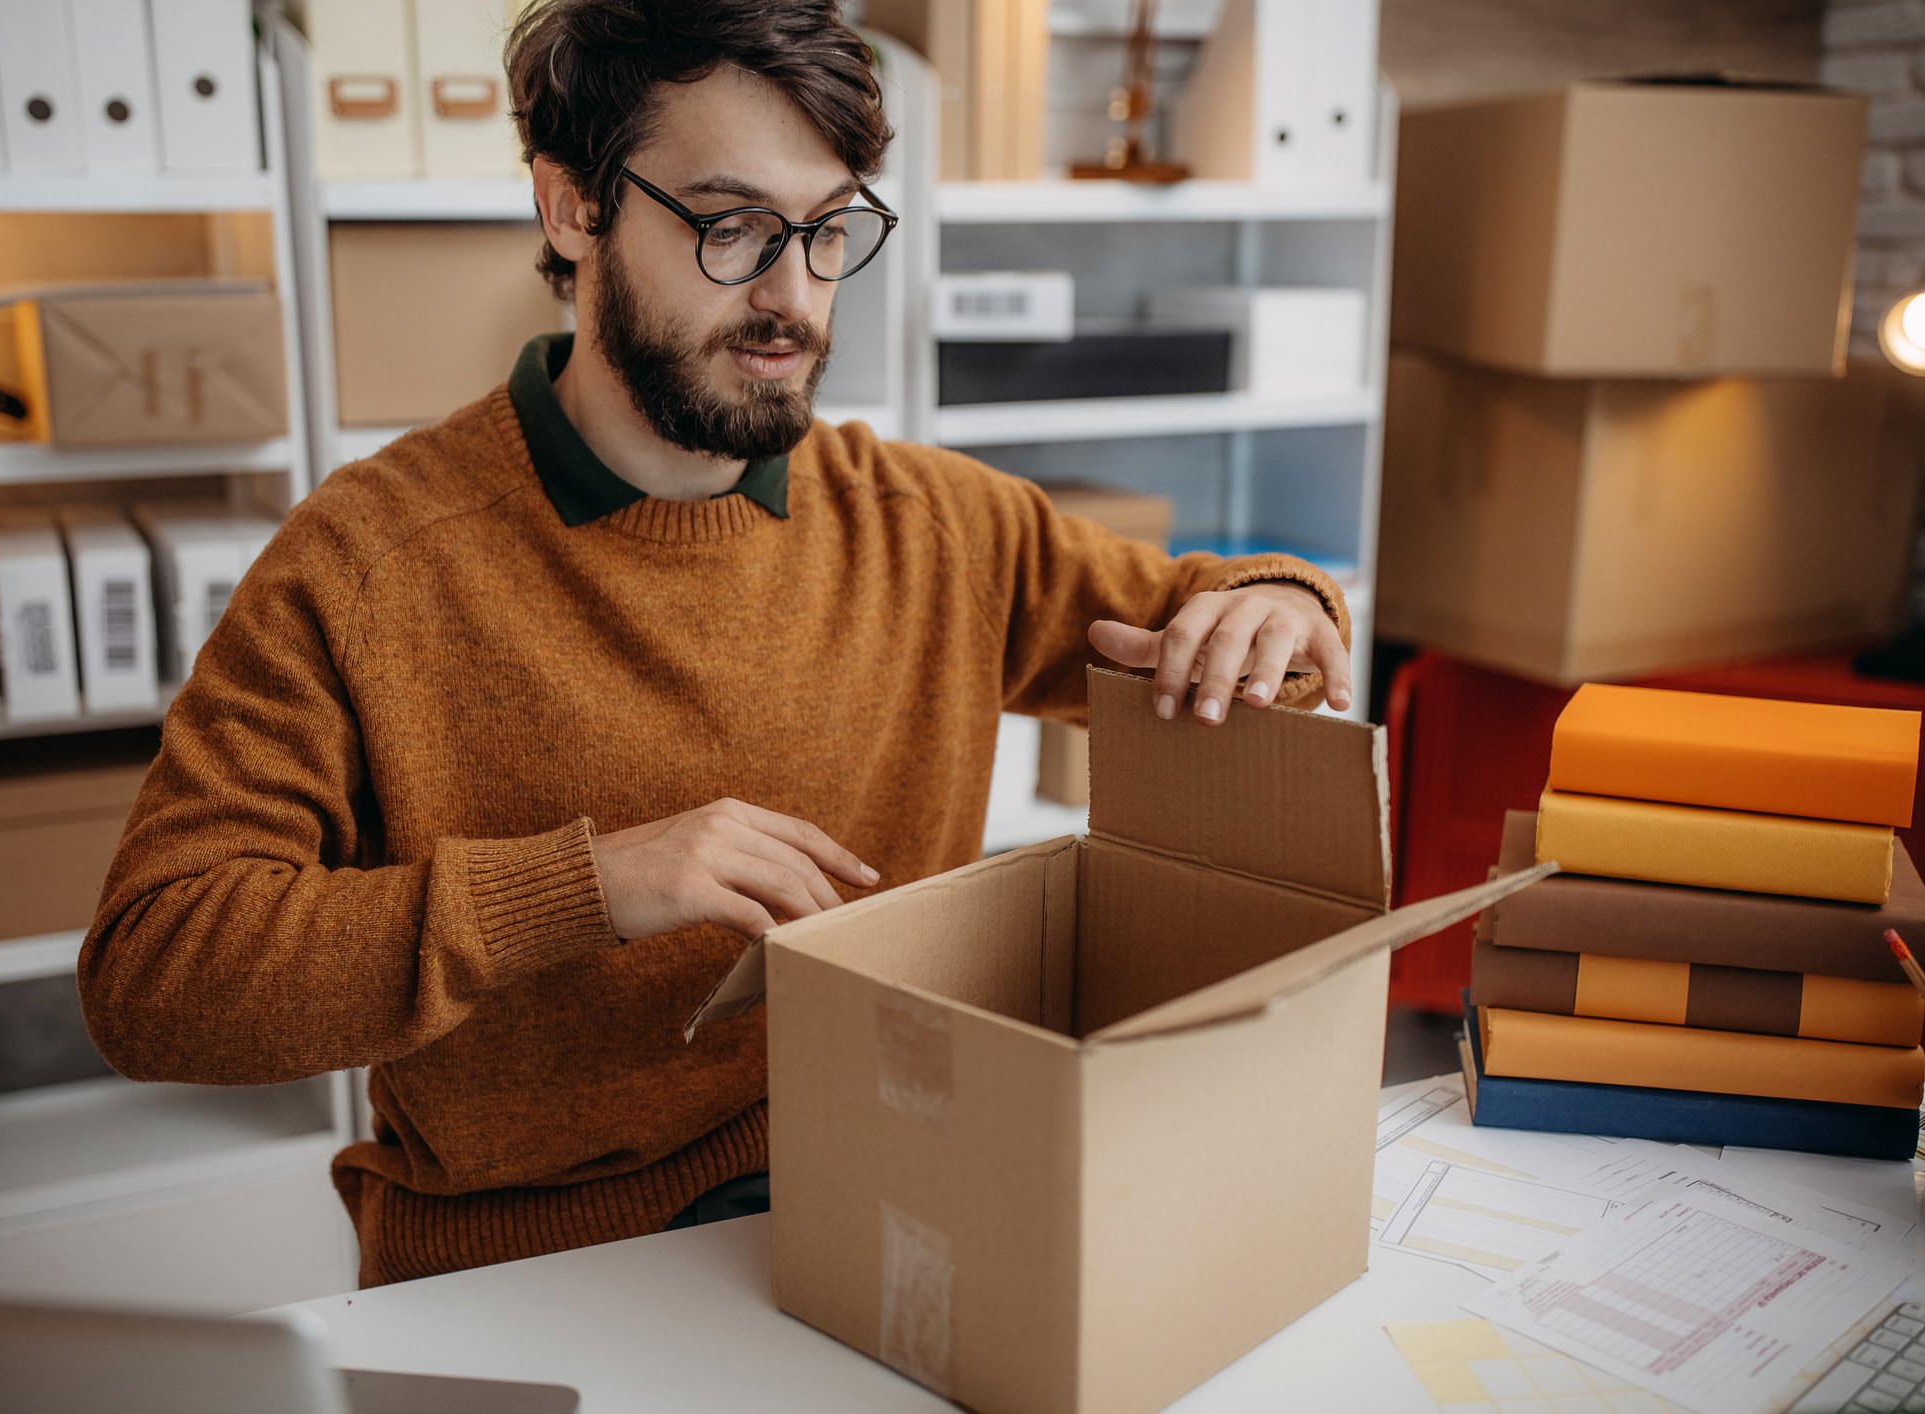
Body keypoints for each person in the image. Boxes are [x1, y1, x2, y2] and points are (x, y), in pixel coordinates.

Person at [77, 0, 1353, 1288]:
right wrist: (586, 889)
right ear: (573, 210)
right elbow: (156, 978)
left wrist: (1281, 598)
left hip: (888, 1193)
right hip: (537, 1261)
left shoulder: (935, 523)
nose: (793, 299)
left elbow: (1234, 616)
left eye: (829, 229)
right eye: (729, 226)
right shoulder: (364, 564)